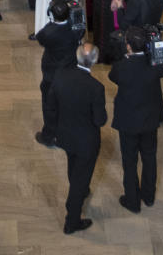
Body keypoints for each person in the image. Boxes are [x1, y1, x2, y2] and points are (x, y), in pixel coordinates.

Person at [45, 43, 106, 234]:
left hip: (65, 135)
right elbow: (100, 120)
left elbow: (51, 105)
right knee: (81, 179)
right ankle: (71, 221)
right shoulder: (96, 88)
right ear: (94, 61)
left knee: (73, 165)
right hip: (86, 141)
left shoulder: (61, 76)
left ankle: (78, 190)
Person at [108, 27, 163, 213]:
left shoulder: (121, 67)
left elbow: (112, 76)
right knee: (150, 158)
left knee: (130, 161)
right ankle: (148, 196)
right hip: (149, 120)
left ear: (128, 46)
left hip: (128, 121)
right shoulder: (154, 66)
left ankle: (132, 201)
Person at [34, 0, 84, 148]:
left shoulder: (48, 33)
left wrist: (52, 21)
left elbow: (41, 38)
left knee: (49, 105)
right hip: (70, 69)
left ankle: (49, 136)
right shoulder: (76, 28)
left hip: (52, 72)